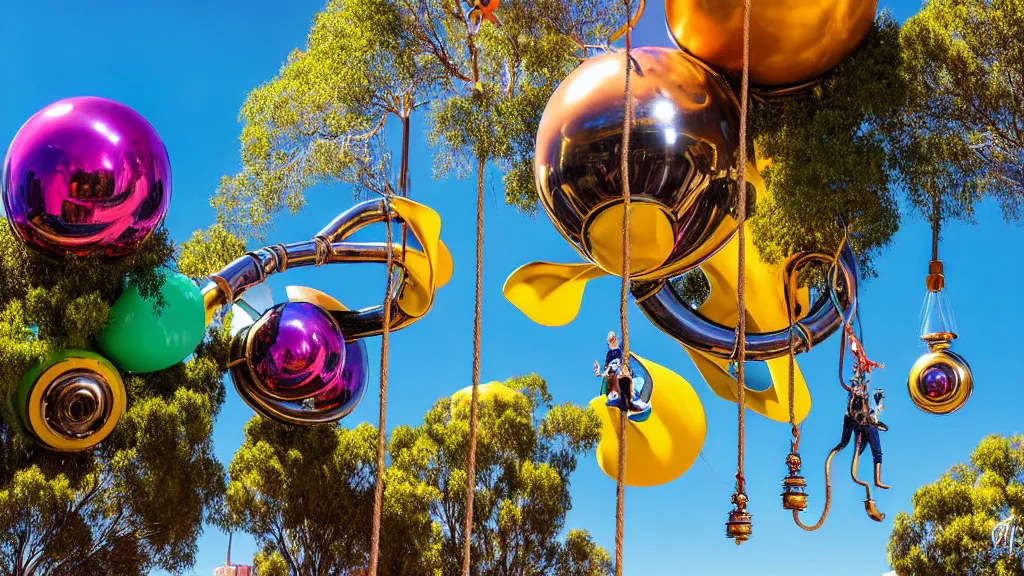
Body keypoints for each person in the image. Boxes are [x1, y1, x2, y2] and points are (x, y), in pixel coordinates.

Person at [832, 376, 889, 489]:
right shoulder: (860, 397)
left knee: (872, 452)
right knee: (867, 451)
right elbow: (849, 418)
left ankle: (877, 480)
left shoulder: (864, 397)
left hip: (866, 424)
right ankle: (876, 480)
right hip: (865, 424)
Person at [593, 331, 649, 413]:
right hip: (615, 374)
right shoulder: (610, 356)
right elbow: (605, 369)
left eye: (613, 339)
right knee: (619, 377)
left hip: (622, 372)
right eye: (611, 340)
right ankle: (618, 398)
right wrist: (599, 371)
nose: (613, 341)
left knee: (640, 379)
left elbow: (624, 343)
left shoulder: (620, 350)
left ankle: (632, 398)